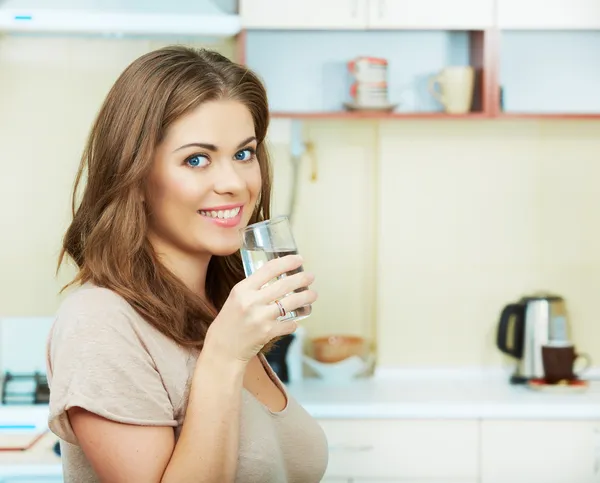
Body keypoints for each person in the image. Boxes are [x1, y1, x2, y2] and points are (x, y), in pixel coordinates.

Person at [46, 45, 328, 483]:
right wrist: (224, 356)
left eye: (243, 154)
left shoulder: (215, 309)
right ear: (135, 177)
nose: (234, 183)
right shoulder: (100, 322)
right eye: (196, 159)